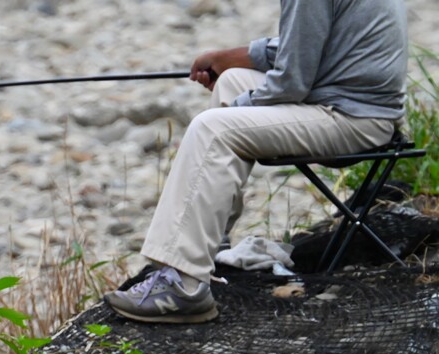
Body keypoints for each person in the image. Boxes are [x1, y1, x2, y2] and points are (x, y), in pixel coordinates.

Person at [105, 0, 408, 324]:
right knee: (232, 80)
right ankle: (207, 247)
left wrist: (236, 109)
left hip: (352, 119)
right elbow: (307, 44)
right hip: (354, 105)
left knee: (212, 129)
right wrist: (228, 58)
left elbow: (292, 82)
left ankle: (184, 286)